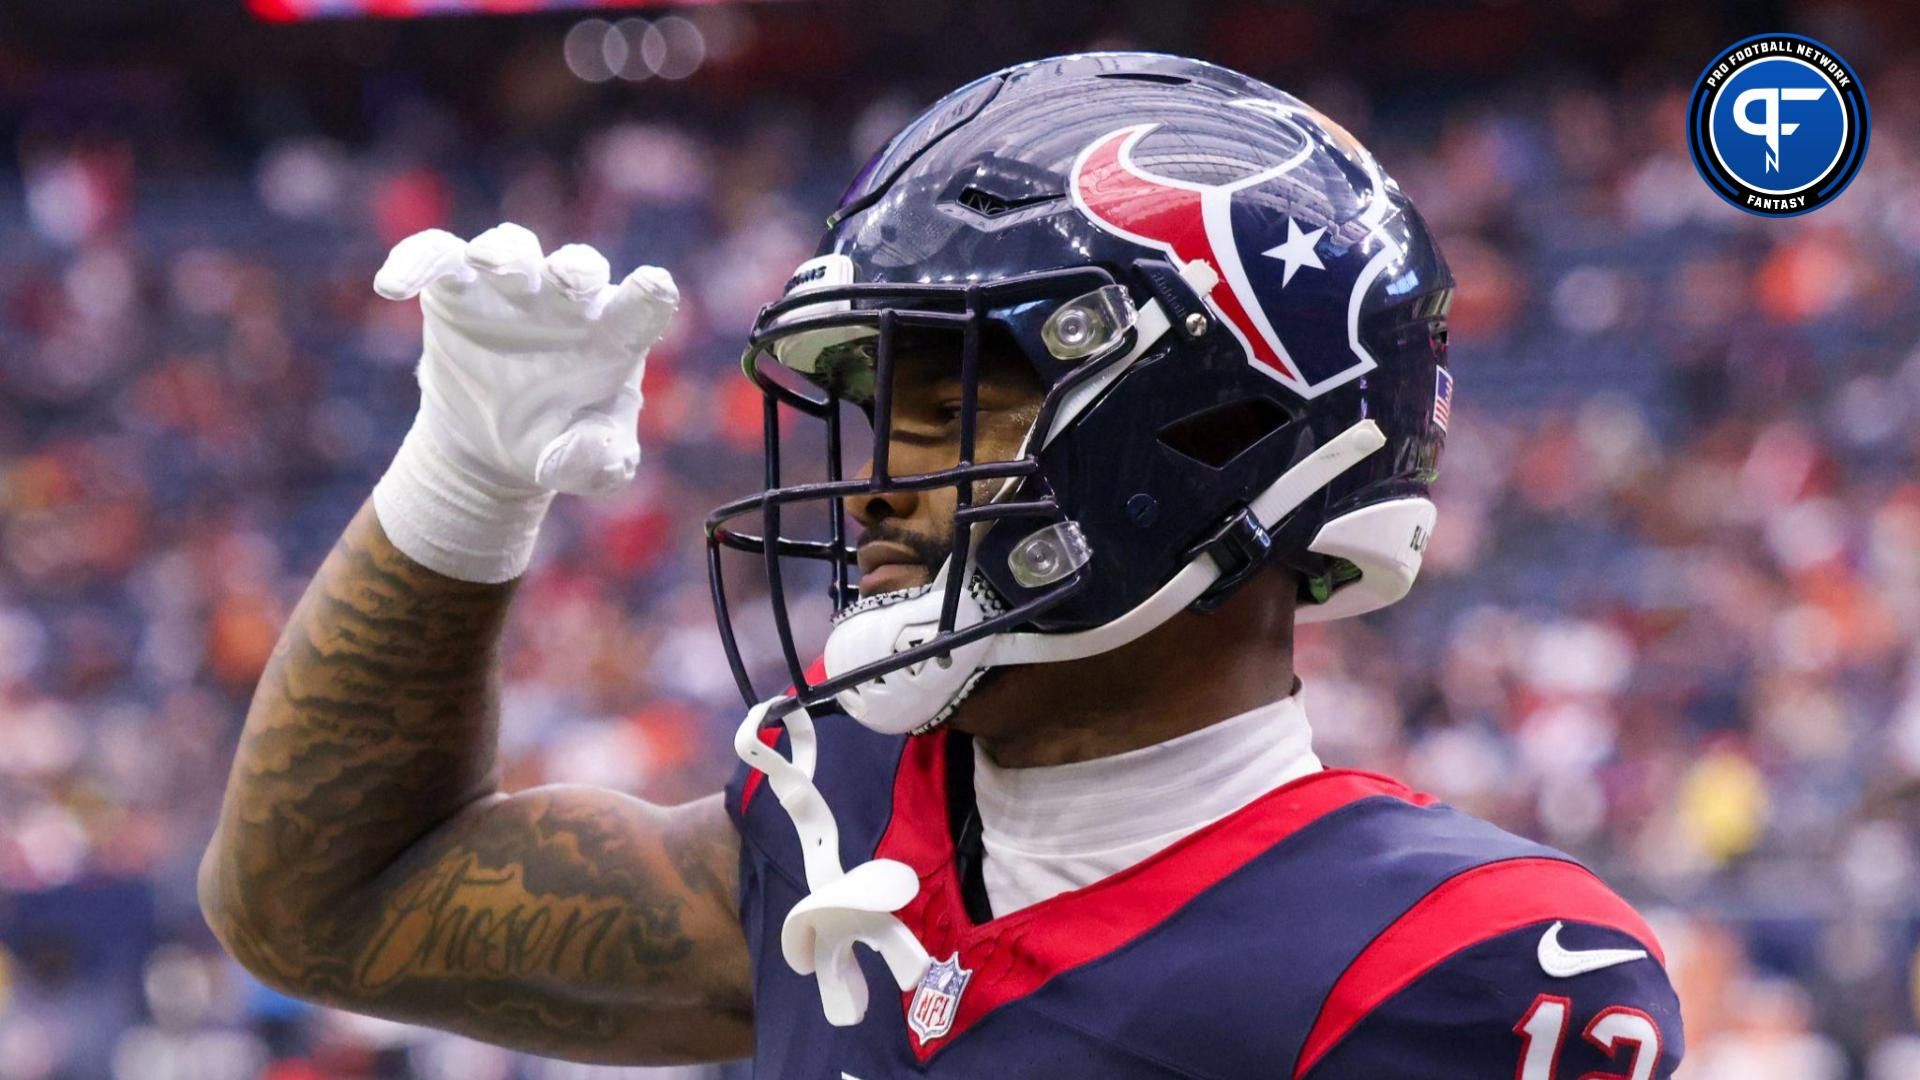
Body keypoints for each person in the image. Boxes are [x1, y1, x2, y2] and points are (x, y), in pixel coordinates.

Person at [201, 52, 1684, 1078]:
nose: (875, 484)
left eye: (952, 403)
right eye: (875, 407)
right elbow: (319, 906)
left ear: (1214, 427)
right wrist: (457, 487)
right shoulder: (845, 824)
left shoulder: (1461, 967)